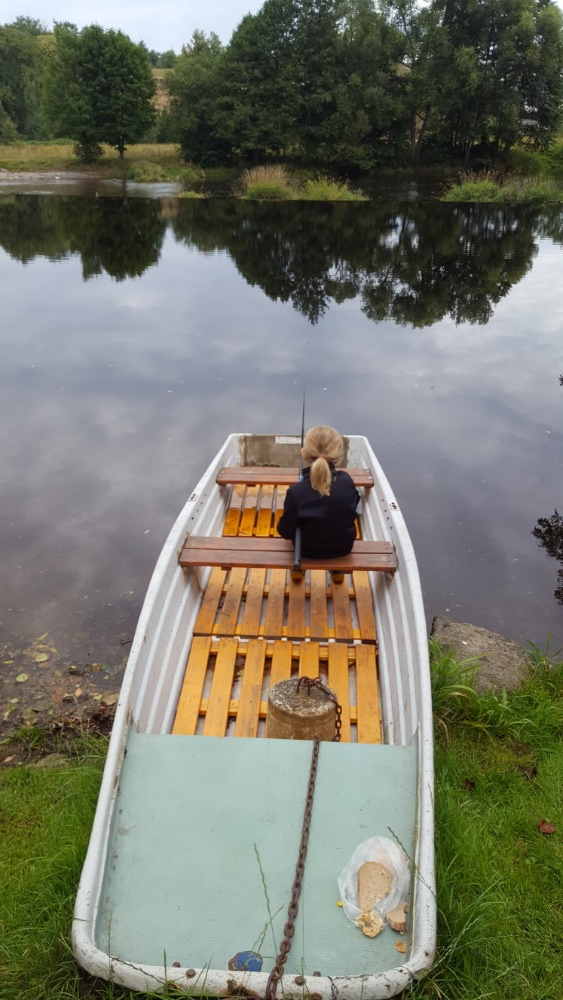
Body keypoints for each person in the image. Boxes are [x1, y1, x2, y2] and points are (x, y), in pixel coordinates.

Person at [277, 425, 360, 559]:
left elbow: (285, 532)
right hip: (343, 549)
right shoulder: (347, 481)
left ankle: (300, 570)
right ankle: (337, 569)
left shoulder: (296, 491)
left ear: (304, 454)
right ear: (338, 455)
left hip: (307, 551)